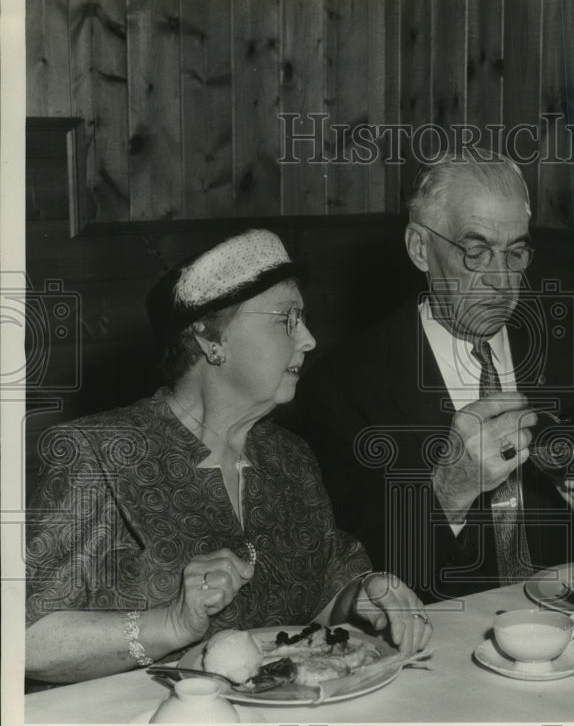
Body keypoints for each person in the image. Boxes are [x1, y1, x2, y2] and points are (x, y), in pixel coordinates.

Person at [25, 229, 432, 684]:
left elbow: (321, 588)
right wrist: (171, 623)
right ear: (208, 338)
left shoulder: (289, 457)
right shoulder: (97, 454)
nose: (310, 339)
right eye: (287, 319)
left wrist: (363, 594)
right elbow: (26, 639)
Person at [296, 150, 574, 603]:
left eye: (516, 253)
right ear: (420, 248)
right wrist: (448, 492)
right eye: (476, 253)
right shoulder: (343, 386)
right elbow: (351, 577)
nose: (502, 280)